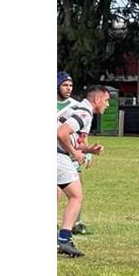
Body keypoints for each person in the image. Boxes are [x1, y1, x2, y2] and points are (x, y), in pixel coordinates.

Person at [56, 85, 111, 257]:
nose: (107, 105)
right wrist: (75, 153)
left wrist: (88, 149)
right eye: (107, 100)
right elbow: (61, 133)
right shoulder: (84, 113)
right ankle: (64, 239)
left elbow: (70, 137)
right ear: (97, 99)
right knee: (76, 195)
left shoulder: (79, 109)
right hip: (58, 155)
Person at [58, 72, 93, 235]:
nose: (68, 88)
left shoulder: (76, 106)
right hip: (58, 153)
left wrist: (87, 150)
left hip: (69, 154)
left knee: (76, 190)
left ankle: (76, 223)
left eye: (70, 85)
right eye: (65, 85)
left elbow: (82, 134)